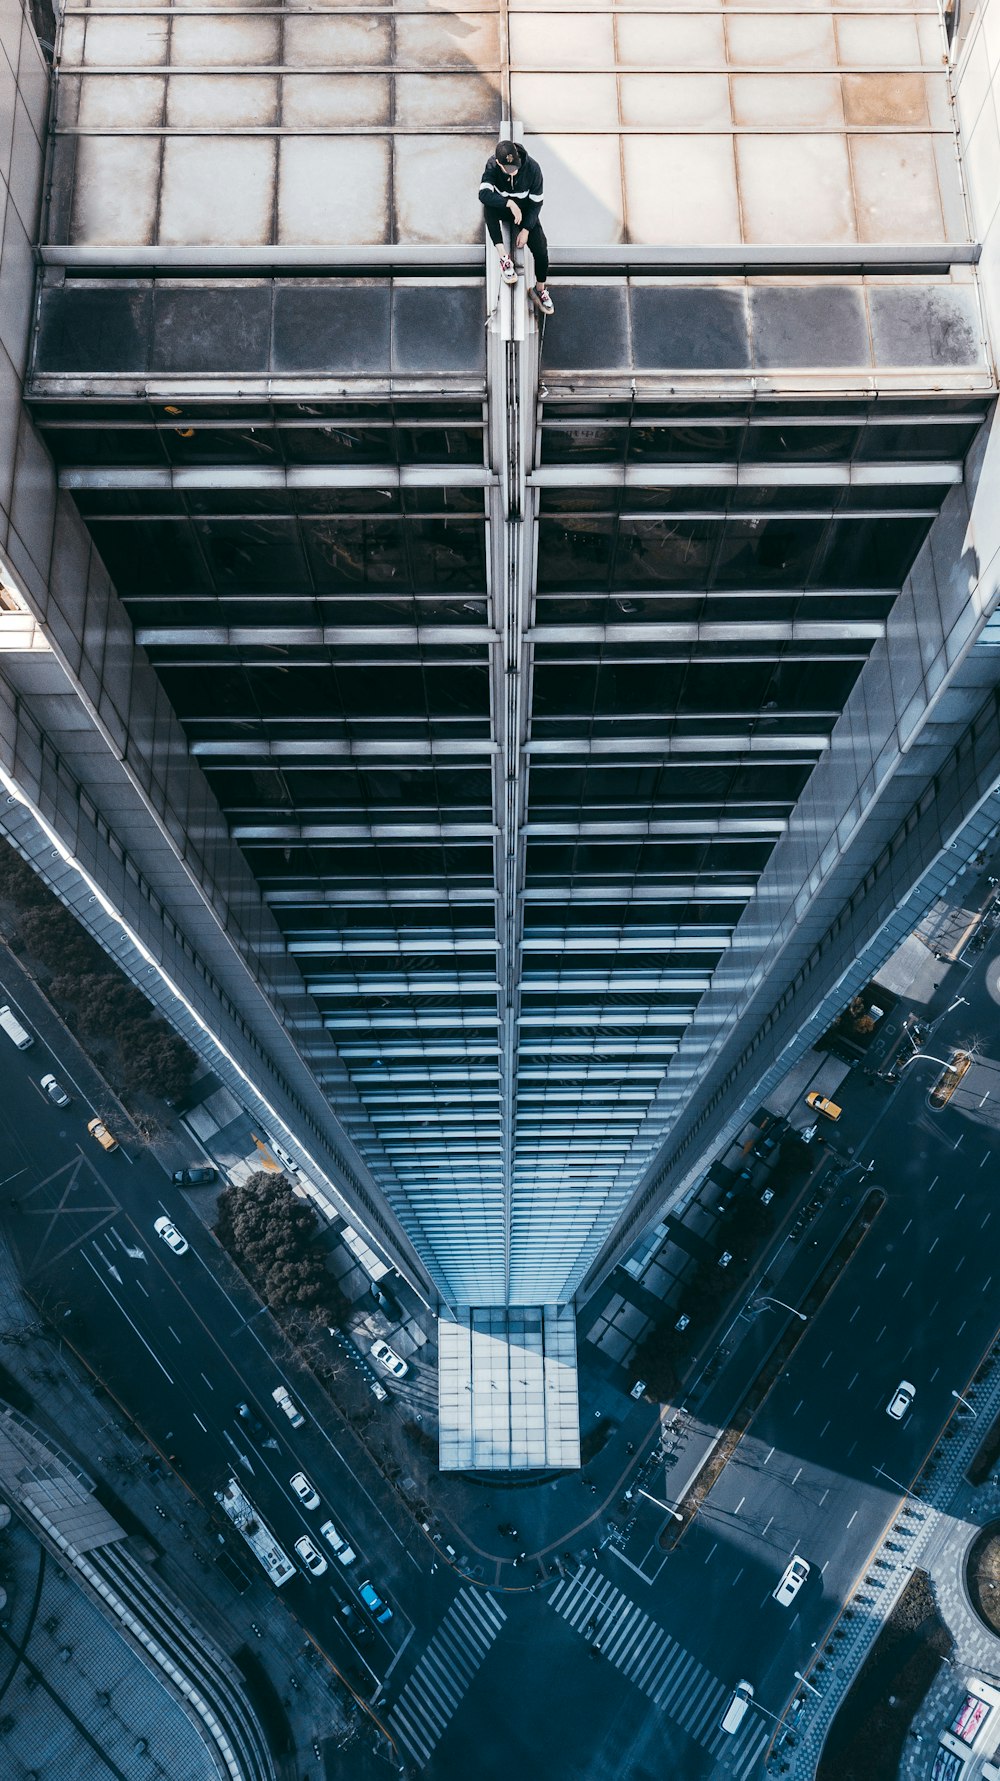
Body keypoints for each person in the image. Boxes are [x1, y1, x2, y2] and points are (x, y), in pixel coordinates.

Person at [479, 139, 554, 316]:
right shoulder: (491, 166)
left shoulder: (533, 169)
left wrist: (527, 229)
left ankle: (539, 289)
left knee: (542, 249)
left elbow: (537, 203)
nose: (513, 173)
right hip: (504, 207)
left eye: (515, 168)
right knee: (488, 208)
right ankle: (504, 257)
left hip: (526, 213)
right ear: (498, 163)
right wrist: (509, 203)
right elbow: (483, 194)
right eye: (508, 170)